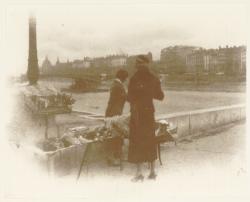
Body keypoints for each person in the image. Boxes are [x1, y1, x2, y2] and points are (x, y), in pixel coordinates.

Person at [127, 55, 164, 181]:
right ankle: (152, 172)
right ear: (148, 65)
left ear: (138, 65)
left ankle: (139, 174)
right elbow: (160, 96)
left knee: (137, 142)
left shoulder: (134, 79)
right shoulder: (154, 78)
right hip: (149, 113)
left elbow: (129, 98)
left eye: (137, 64)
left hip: (137, 114)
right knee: (150, 140)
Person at [105, 69, 129, 166]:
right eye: (126, 78)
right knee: (117, 136)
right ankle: (116, 159)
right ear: (123, 77)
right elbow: (127, 98)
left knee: (115, 136)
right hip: (115, 114)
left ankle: (117, 158)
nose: (127, 80)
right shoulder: (119, 86)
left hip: (112, 113)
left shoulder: (115, 84)